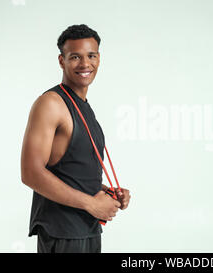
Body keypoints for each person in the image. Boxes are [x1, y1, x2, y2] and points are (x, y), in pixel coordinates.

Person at [20, 24, 131, 253]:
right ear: (61, 61)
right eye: (75, 57)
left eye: (91, 56)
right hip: (63, 233)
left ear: (99, 58)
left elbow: (70, 170)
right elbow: (31, 173)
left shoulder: (83, 106)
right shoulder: (51, 103)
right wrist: (92, 203)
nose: (85, 64)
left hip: (87, 227)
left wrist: (105, 192)